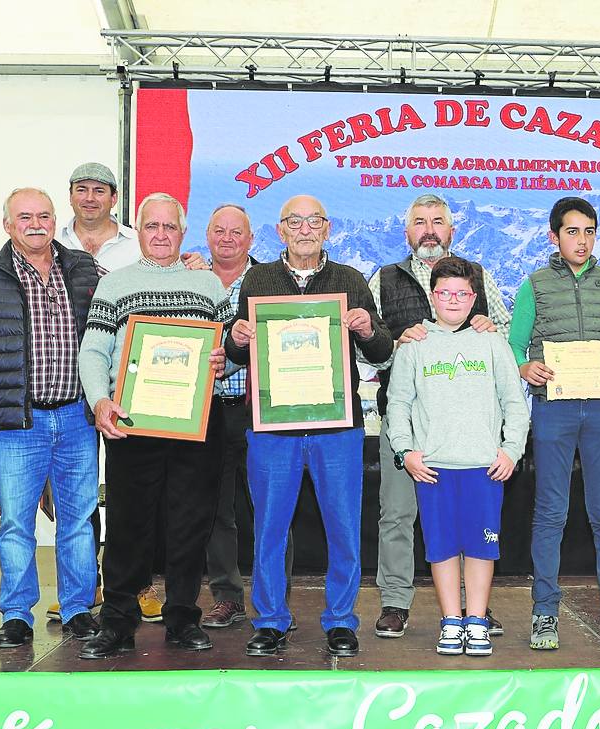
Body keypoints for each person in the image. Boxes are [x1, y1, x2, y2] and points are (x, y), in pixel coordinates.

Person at [224, 194, 393, 658]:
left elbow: (381, 351)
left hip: (337, 426)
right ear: (280, 230)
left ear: (328, 228)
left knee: (343, 526)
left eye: (313, 221)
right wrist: (236, 337)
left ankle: (340, 620)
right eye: (293, 222)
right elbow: (241, 350)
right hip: (272, 426)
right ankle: (271, 620)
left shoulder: (351, 280)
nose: (304, 229)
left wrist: (366, 330)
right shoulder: (257, 278)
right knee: (270, 528)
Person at [0, 188, 102, 648]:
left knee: (78, 520)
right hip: (16, 422)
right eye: (25, 217)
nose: (36, 224)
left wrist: (182, 265)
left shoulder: (84, 267)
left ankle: (76, 609)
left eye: (45, 216)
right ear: (7, 224)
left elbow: (128, 302)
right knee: (16, 523)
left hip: (76, 417)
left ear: (57, 221)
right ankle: (16, 613)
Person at [76, 193, 231, 658]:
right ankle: (118, 621)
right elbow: (93, 351)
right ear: (137, 231)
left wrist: (221, 360)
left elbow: (222, 352)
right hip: (133, 420)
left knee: (190, 525)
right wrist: (100, 399)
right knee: (127, 524)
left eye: (169, 227)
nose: (161, 235)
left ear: (182, 233)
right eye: (152, 226)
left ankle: (182, 618)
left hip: (197, 423)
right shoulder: (115, 285)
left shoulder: (208, 286)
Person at [370, 194, 510, 639]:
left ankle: (474, 613)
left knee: (468, 524)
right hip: (408, 427)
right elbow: (368, 345)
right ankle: (395, 602)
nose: (428, 229)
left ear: (452, 230)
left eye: (437, 222)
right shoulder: (384, 278)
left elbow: (506, 333)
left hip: (468, 434)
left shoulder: (478, 277)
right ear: (406, 230)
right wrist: (396, 342)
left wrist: (489, 326)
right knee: (397, 515)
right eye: (419, 222)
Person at [507, 196, 600, 650]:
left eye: (589, 232)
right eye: (572, 232)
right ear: (553, 236)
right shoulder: (536, 285)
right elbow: (514, 345)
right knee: (550, 511)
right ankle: (545, 610)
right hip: (555, 408)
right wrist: (526, 367)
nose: (581, 241)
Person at [384, 256, 528, 657]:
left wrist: (512, 449)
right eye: (445, 292)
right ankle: (451, 621)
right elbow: (398, 404)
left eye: (462, 293)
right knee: (442, 548)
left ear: (474, 298)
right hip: (433, 469)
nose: (453, 300)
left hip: (484, 467)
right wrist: (405, 450)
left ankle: (477, 620)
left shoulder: (492, 343)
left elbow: (514, 402)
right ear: (432, 297)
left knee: (482, 549)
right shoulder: (414, 345)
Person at [47, 162, 142, 621]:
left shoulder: (137, 244)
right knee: (76, 496)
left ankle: (134, 582)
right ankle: (85, 585)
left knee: (129, 490)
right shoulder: (49, 239)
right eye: (80, 189)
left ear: (114, 198)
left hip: (133, 385)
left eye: (99, 191)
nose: (90, 198)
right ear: (70, 196)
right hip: (66, 383)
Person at [200, 203, 295, 631]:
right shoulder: (192, 283)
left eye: (236, 232)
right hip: (202, 412)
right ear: (207, 236)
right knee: (215, 509)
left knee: (272, 508)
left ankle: (275, 599)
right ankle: (226, 596)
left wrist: (231, 359)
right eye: (218, 231)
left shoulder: (267, 281)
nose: (227, 238)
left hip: (260, 410)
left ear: (252, 238)